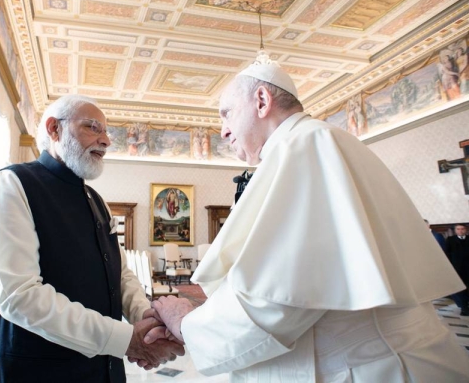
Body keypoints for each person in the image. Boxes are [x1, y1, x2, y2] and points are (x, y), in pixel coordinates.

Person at [145, 57, 469, 381]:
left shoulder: (303, 146)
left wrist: (186, 323)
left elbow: (278, 299)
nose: (223, 131)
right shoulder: (312, 142)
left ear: (261, 101)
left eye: (226, 113)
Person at [0, 95, 184, 382]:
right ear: (54, 129)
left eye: (106, 131)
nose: (106, 140)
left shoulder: (97, 201)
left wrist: (145, 319)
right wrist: (124, 338)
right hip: (32, 369)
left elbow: (119, 275)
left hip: (99, 369)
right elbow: (19, 296)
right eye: (92, 127)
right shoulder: (13, 184)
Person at [445, 224, 469, 316]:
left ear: (465, 230)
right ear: (455, 230)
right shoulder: (450, 240)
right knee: (461, 288)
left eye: (462, 229)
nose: (460, 231)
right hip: (457, 268)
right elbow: (447, 254)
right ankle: (464, 308)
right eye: (458, 229)